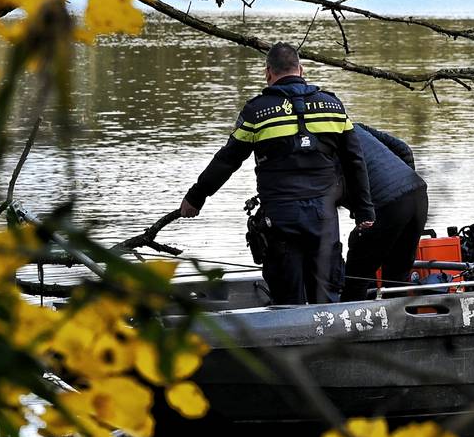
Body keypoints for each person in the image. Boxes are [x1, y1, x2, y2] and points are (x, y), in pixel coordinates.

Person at [179, 43, 373, 305]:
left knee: (286, 299)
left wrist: (196, 197)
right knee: (326, 297)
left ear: (268, 73)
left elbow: (227, 160)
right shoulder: (332, 106)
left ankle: (289, 327)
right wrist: (364, 211)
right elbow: (354, 161)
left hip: (281, 217)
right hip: (323, 216)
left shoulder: (257, 112)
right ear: (301, 70)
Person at [340, 124, 428, 301]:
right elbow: (404, 149)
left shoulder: (319, 142)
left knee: (356, 277)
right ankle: (397, 317)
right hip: (418, 193)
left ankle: (354, 318)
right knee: (397, 278)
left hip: (386, 205)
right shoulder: (355, 127)